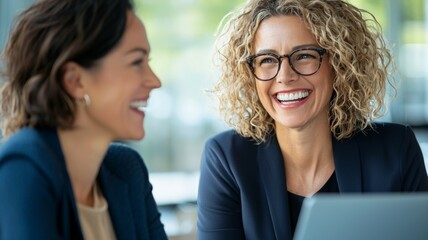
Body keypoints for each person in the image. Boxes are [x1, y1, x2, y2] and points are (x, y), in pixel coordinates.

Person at [197, 0, 428, 239]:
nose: (285, 76)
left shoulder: (396, 150)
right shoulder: (227, 159)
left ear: (339, 63)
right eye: (267, 60)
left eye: (304, 55)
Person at [0, 0, 168, 239]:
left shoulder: (128, 169)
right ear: (75, 81)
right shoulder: (24, 167)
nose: (154, 81)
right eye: (136, 62)